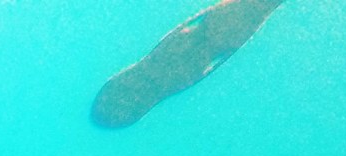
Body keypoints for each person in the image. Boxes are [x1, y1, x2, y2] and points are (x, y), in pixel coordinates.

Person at [92, 0, 286, 129]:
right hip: (206, 45)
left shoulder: (164, 76)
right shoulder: (170, 77)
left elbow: (209, 59)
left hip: (203, 45)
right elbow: (207, 55)